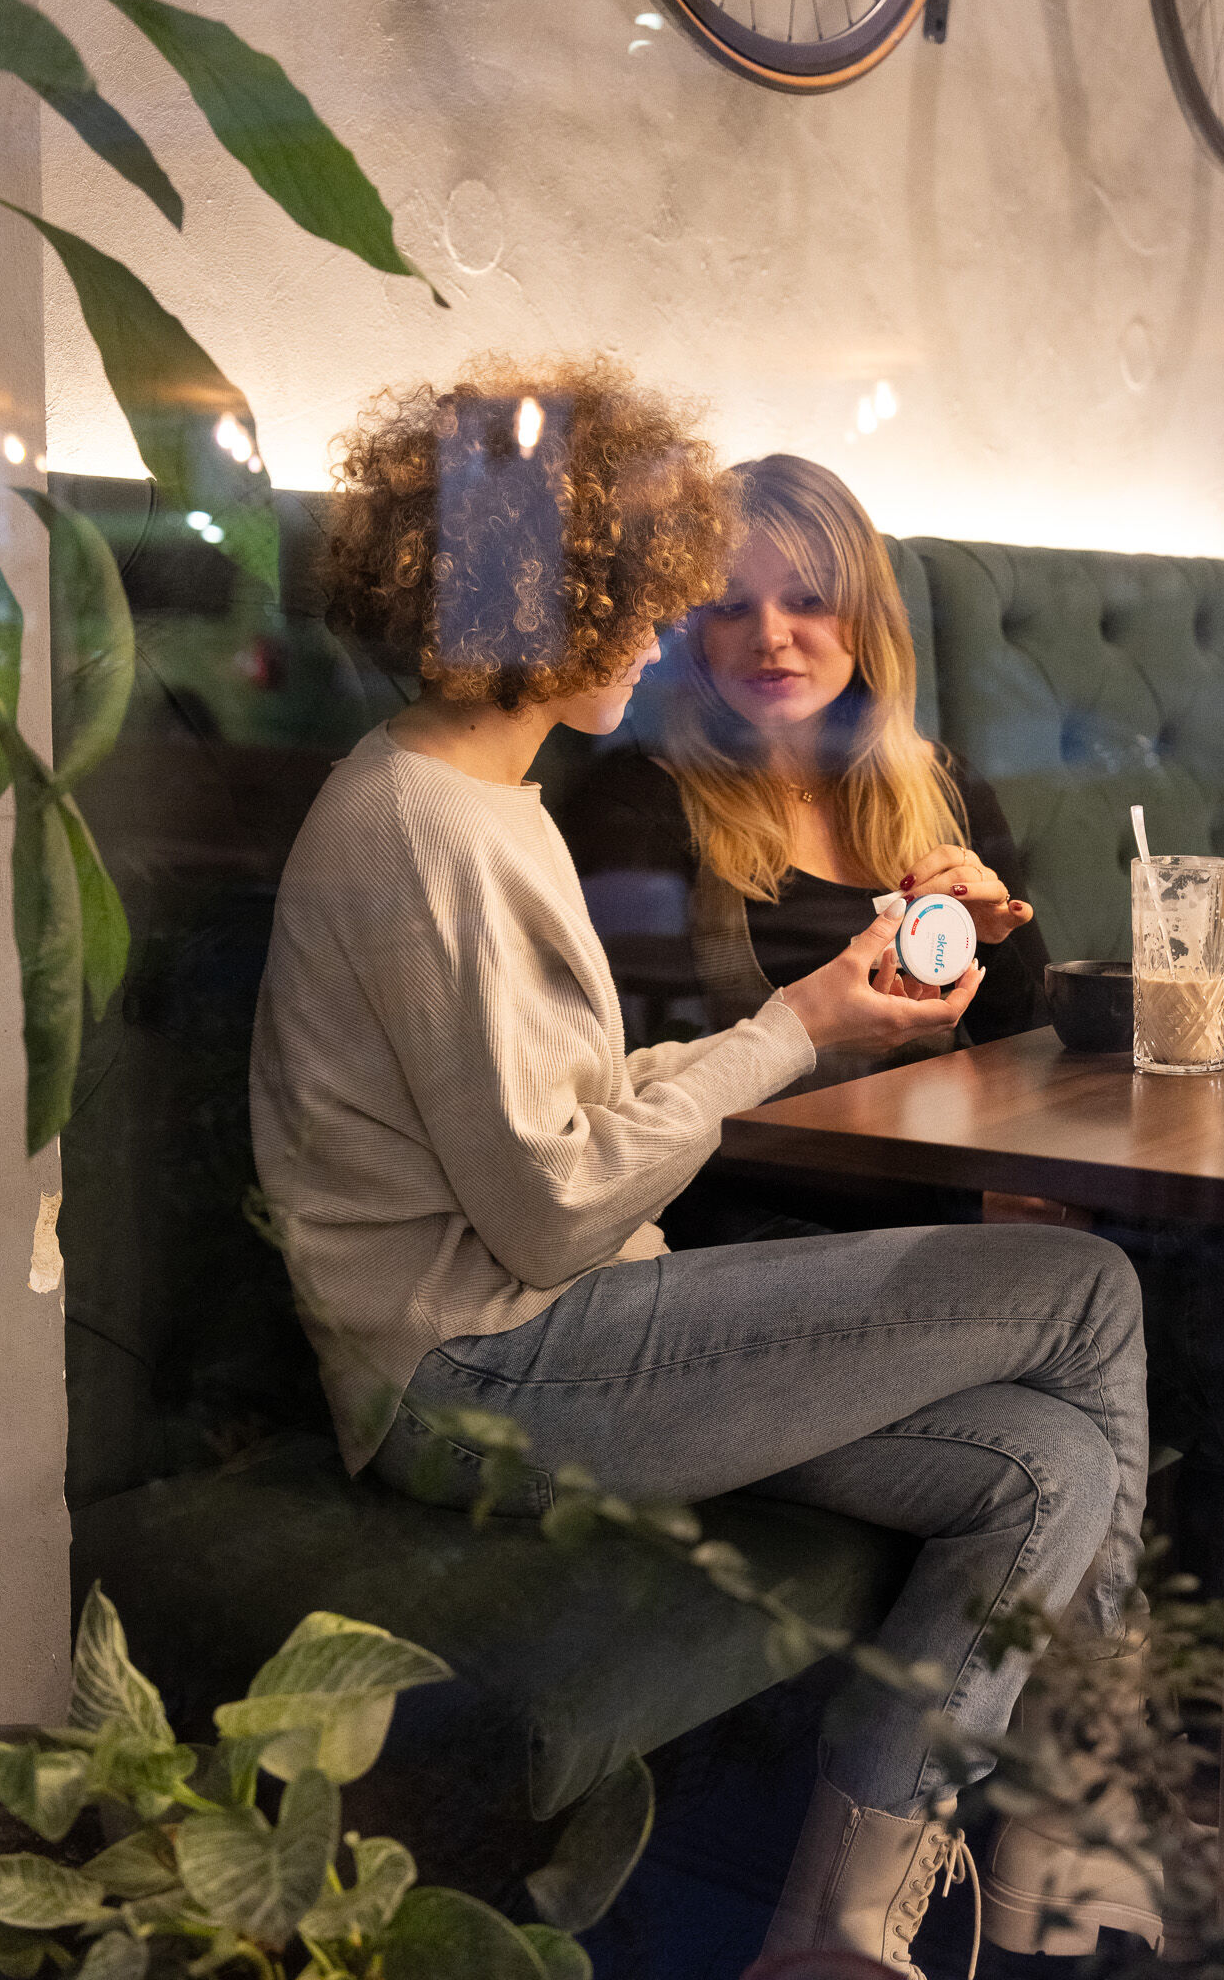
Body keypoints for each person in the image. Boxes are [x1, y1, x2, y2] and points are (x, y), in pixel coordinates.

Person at [250, 360, 1150, 1969]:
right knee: (1085, 1289)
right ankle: (1090, 1822)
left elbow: (572, 1107)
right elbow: (553, 1199)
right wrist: (797, 1025)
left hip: (572, 1336)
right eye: (652, 598)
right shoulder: (424, 831)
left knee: (1049, 1470)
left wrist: (827, 1024)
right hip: (482, 1376)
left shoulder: (481, 802)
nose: (675, 637)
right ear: (556, 596)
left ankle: (838, 1938)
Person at [560, 453, 1050, 1244]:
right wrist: (949, 1206)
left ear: (866, 619)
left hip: (962, 1193)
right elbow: (637, 1123)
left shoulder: (946, 789)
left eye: (808, 601)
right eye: (730, 606)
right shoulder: (638, 808)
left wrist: (998, 938)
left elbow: (1029, 1053)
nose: (769, 636)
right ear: (693, 632)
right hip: (765, 1231)